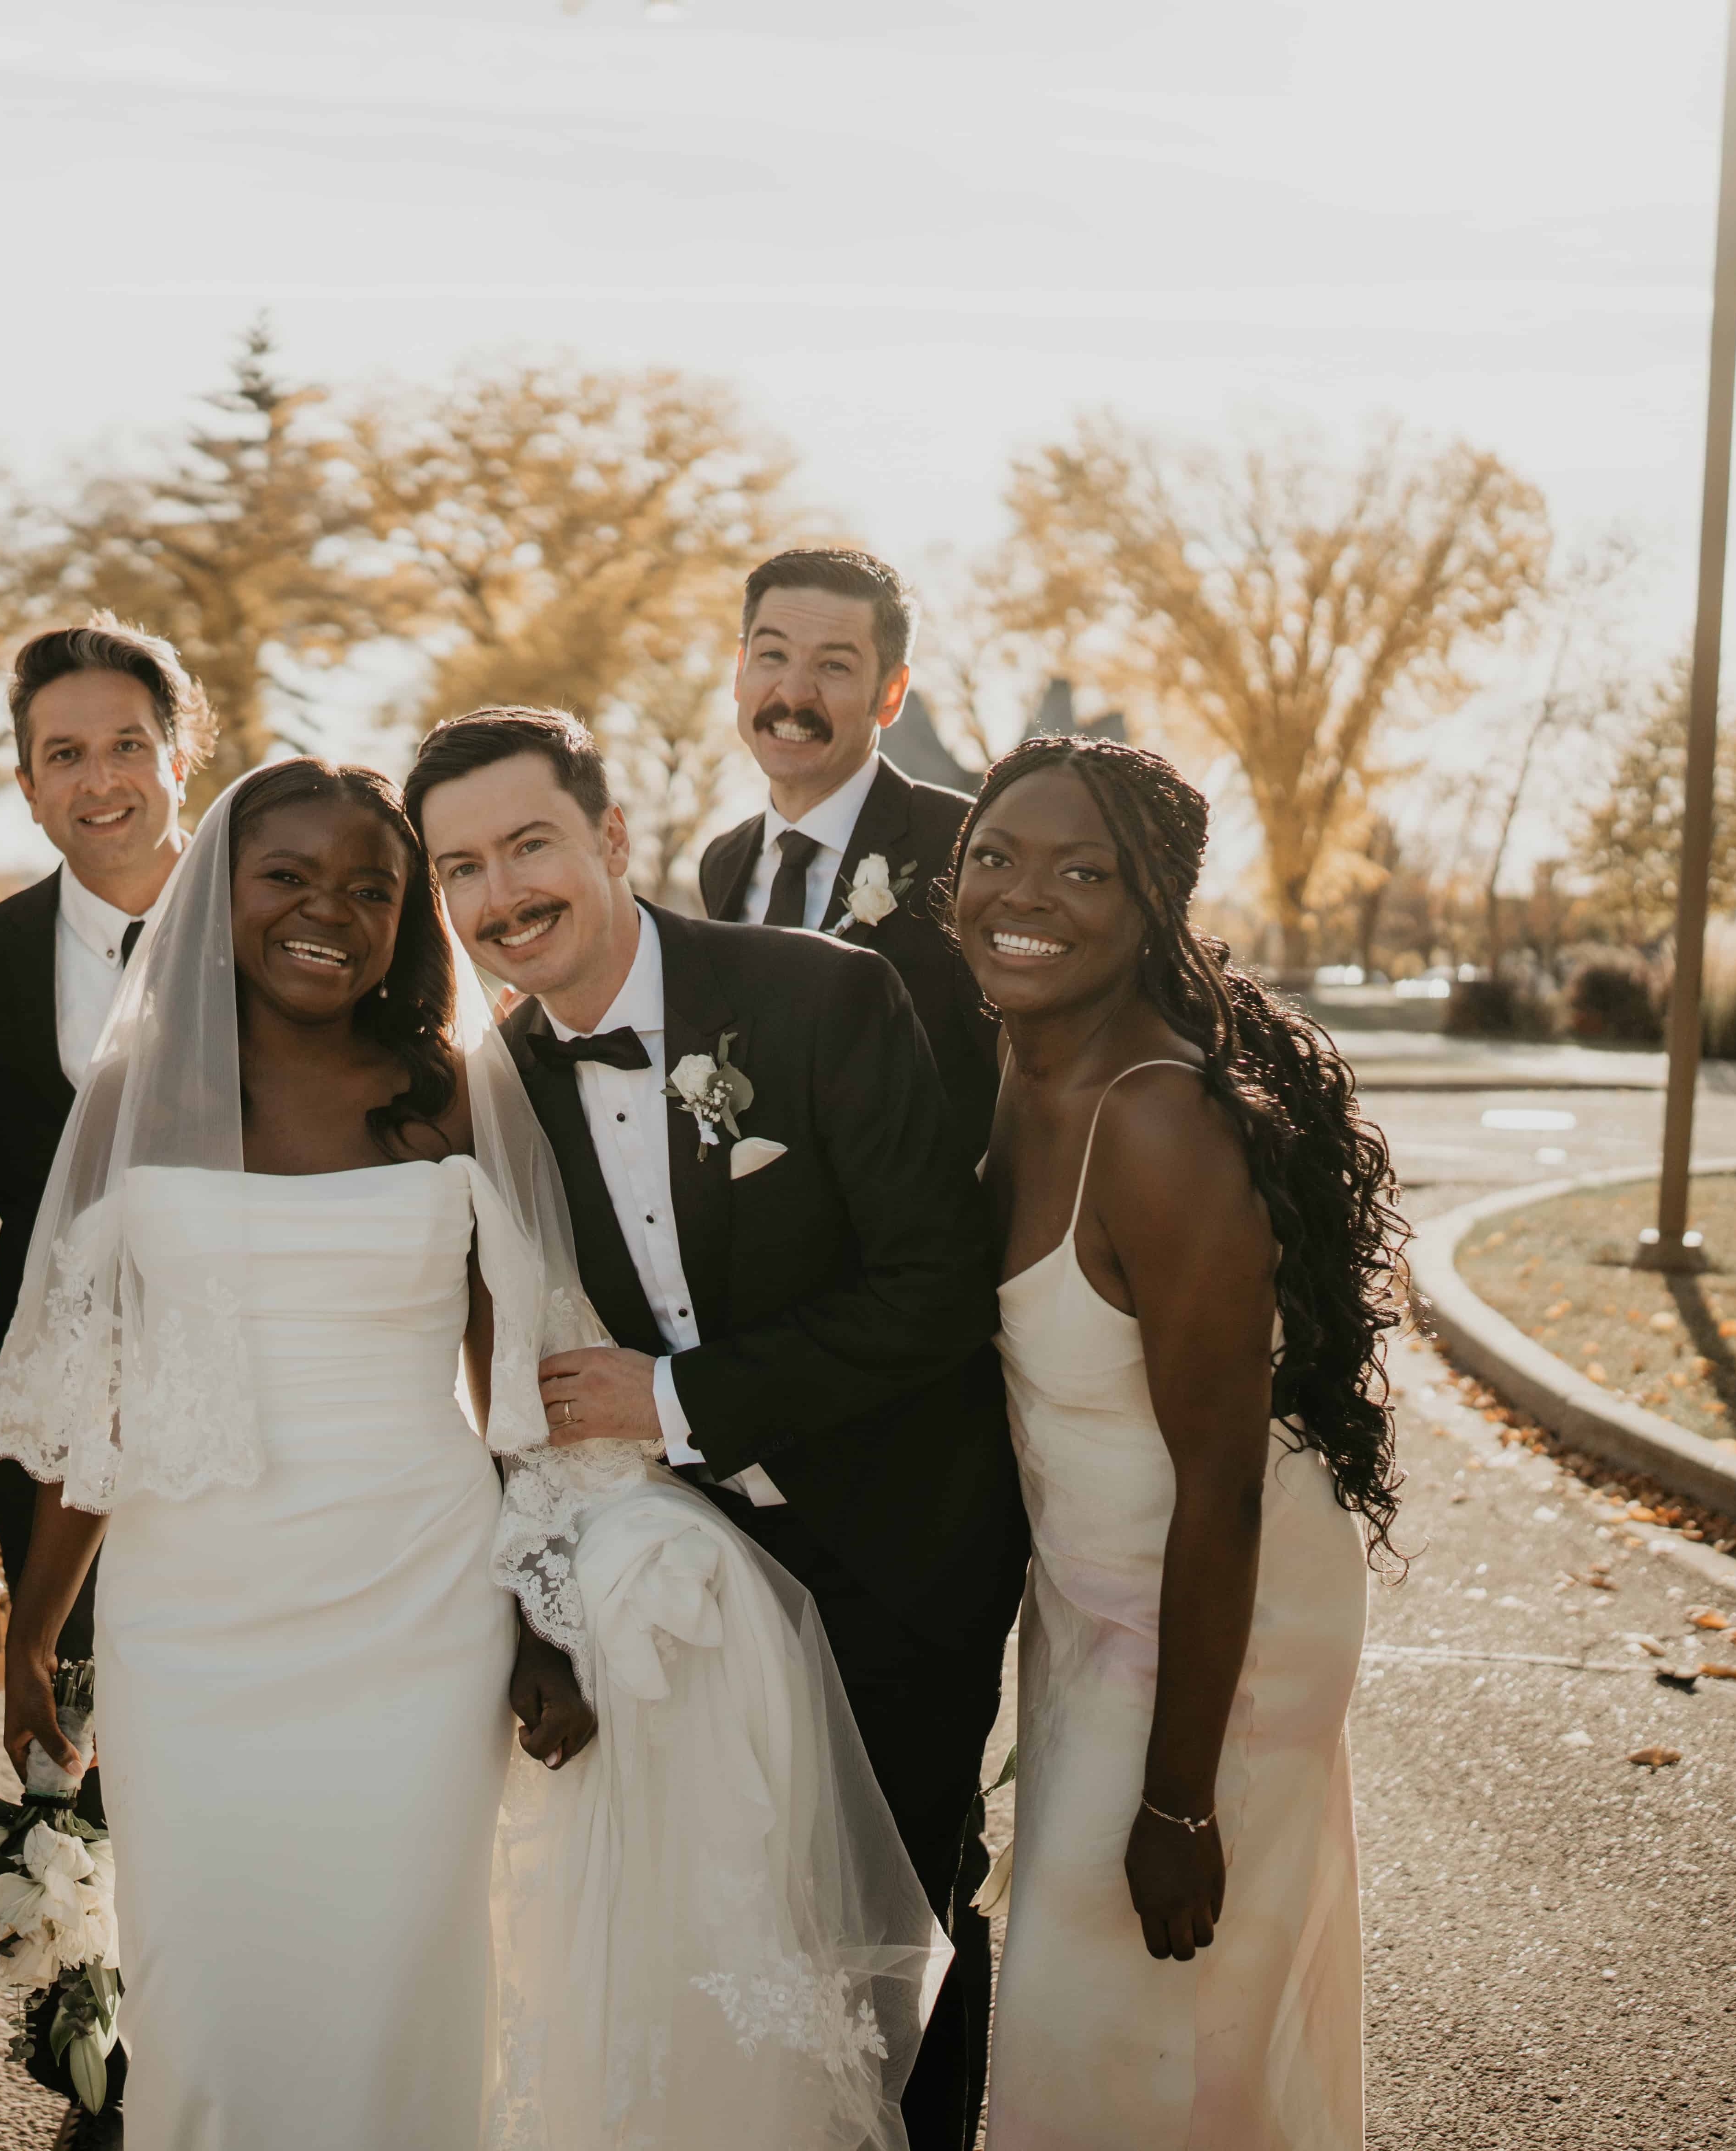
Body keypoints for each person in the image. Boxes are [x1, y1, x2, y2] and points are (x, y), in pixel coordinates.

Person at [0, 758, 938, 2151]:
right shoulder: (137, 1097)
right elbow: (91, 1405)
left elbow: (521, 1395)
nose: (334, 912)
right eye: (288, 878)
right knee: (209, 1992)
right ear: (218, 894)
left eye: (373, 888)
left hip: (418, 1608)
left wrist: (540, 1620)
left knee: (402, 1987)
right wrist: (31, 1634)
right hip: (190, 1624)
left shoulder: (446, 1093)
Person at [408, 706, 1029, 2151]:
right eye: (460, 870)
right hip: (688, 1586)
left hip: (893, 1553)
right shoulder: (496, 1090)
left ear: (612, 838)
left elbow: (939, 1289)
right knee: (742, 1946)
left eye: (528, 846)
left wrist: (678, 1401)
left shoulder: (822, 996)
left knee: (902, 1933)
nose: (500, 896)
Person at [952, 736, 1392, 2150]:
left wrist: (1182, 1802)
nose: (1027, 895)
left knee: (1132, 2024)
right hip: (1094, 1596)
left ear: (1152, 912)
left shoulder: (1159, 1125)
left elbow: (1228, 1492)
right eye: (997, 857)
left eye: (1086, 871)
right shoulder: (1014, 1066)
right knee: (1113, 2035)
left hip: (1222, 1629)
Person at [0, 616, 199, 1650]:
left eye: (127, 745)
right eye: (65, 755)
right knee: (83, 1763)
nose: (99, 779)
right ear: (27, 785)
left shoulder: (275, 925)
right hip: (58, 1454)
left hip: (276, 1433)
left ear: (180, 758)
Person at [694, 548, 1000, 1162]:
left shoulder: (968, 843)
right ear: (739, 671)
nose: (793, 692)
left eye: (833, 666)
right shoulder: (722, 863)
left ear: (890, 694)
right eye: (772, 655)